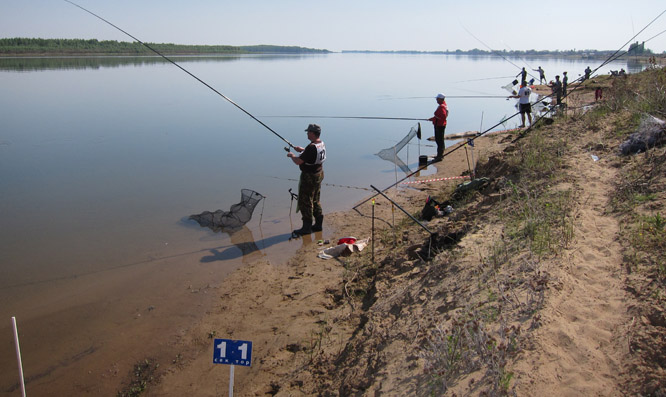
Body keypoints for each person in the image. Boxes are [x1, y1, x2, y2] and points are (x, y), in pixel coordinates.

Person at [287, 123, 326, 235]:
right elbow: (312, 154)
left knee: (305, 201)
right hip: (319, 174)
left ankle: (306, 227)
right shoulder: (321, 143)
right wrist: (302, 150)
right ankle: (318, 225)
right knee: (316, 199)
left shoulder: (311, 147)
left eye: (308, 132)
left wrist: (292, 155)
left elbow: (298, 161)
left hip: (309, 177)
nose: (307, 134)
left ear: (313, 133)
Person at [428, 93, 448, 161]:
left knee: (439, 141)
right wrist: (433, 118)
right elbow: (439, 116)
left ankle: (439, 157)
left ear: (440, 99)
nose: (436, 100)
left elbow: (443, 116)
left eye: (437, 99)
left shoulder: (442, 106)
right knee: (440, 141)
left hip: (439, 126)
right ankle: (440, 155)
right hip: (440, 125)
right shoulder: (443, 105)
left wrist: (435, 118)